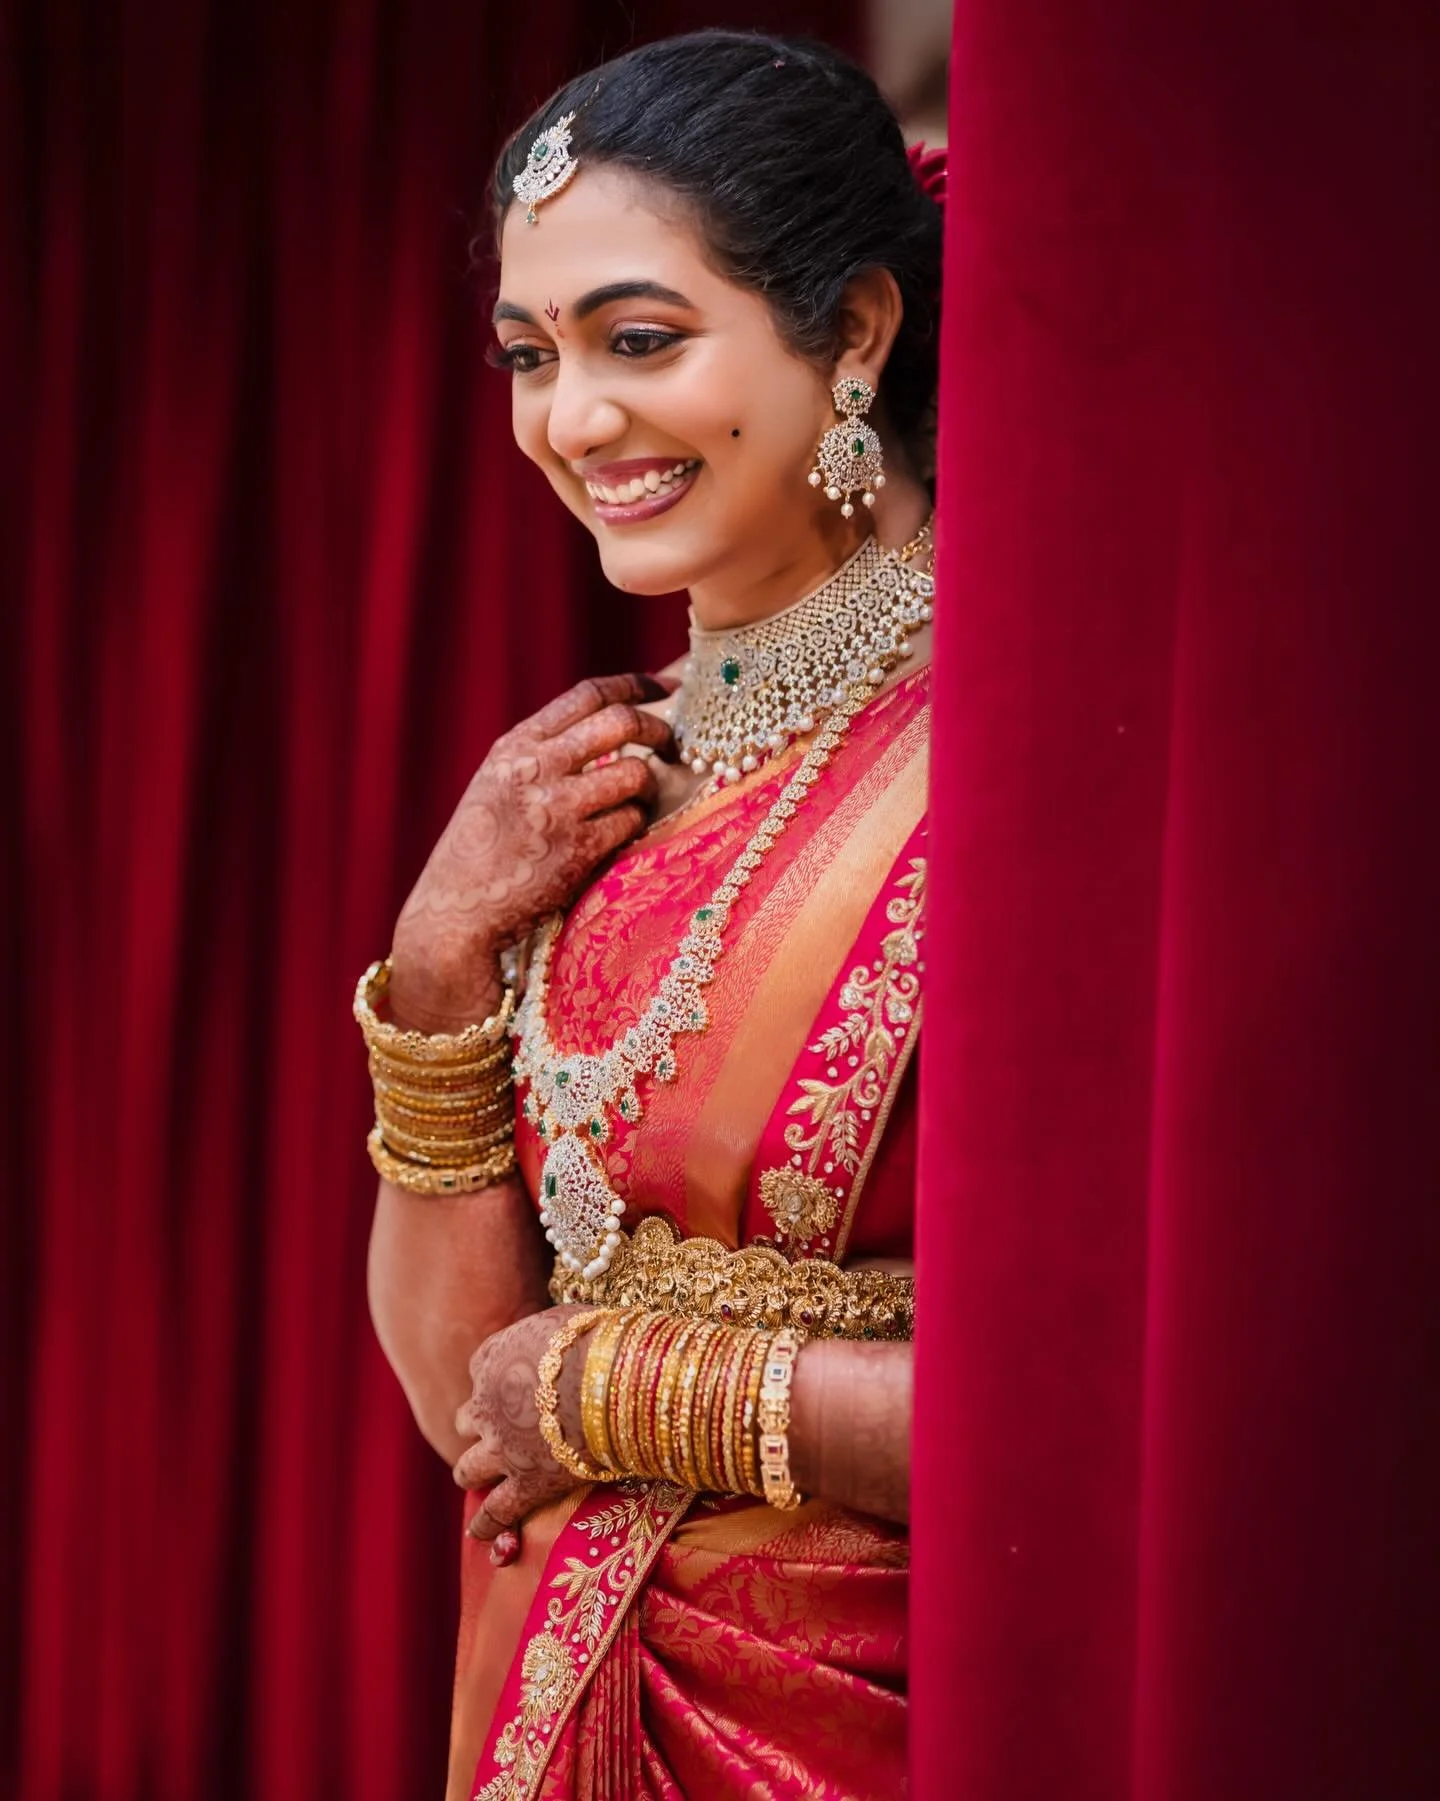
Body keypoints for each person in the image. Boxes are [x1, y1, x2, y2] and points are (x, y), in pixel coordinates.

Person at [359, 30, 944, 1799]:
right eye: (531, 357)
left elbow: (1118, 1415)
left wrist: (619, 1389)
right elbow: (473, 1403)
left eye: (639, 341)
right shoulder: (585, 792)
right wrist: (444, 960)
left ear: (850, 331)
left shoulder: (1020, 781)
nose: (573, 420)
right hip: (559, 1689)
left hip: (891, 1717)